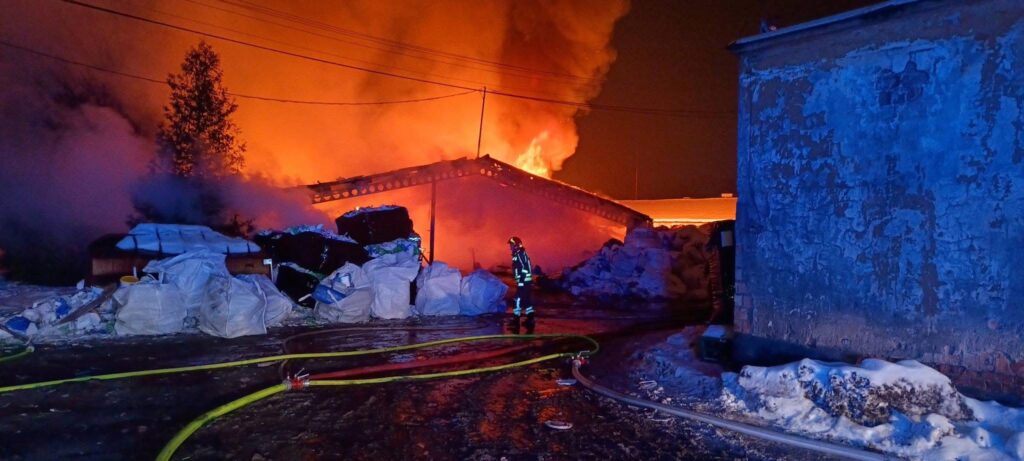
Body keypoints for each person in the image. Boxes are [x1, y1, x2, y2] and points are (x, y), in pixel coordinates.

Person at [507, 236, 534, 332]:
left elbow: (525, 268)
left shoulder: (519, 254)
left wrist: (521, 281)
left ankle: (516, 322)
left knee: (517, 300)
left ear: (516, 245)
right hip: (525, 281)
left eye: (511, 245)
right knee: (526, 301)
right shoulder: (518, 254)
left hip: (524, 282)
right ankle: (530, 320)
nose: (510, 247)